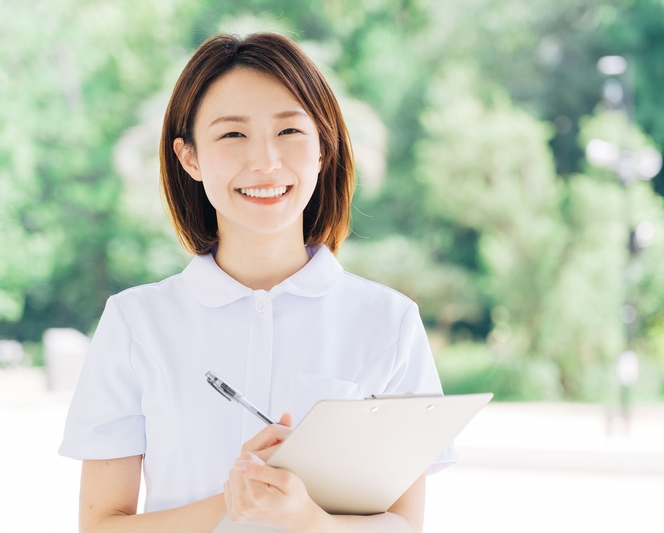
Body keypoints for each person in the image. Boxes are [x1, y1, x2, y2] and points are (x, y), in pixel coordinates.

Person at [59, 32, 455, 533]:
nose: (265, 162)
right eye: (232, 135)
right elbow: (100, 527)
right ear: (190, 158)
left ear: (322, 148)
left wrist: (308, 519)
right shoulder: (136, 321)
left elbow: (404, 525)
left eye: (289, 131)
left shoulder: (389, 321)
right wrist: (235, 502)